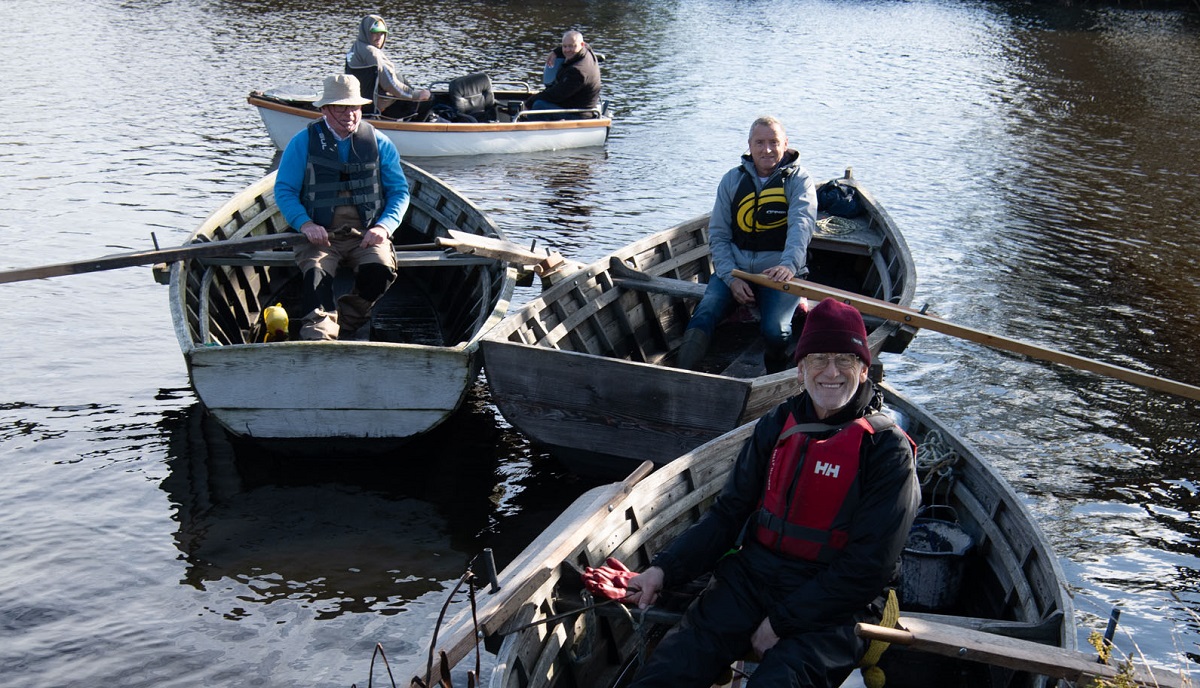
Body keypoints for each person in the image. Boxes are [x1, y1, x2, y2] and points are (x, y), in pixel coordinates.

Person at [622, 297, 921, 688]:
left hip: (838, 599)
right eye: (818, 359)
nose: (831, 372)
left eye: (844, 360)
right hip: (754, 576)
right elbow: (728, 515)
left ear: (864, 370)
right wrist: (664, 568)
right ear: (800, 369)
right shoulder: (777, 424)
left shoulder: (886, 450)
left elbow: (870, 566)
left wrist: (781, 622)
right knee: (671, 668)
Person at [274, 74, 411, 341]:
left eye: (355, 108)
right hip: (320, 234)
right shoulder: (303, 143)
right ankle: (319, 333)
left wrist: (384, 226)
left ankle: (348, 319)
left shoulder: (380, 143)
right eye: (341, 107)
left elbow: (399, 191)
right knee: (316, 274)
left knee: (380, 270)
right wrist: (305, 224)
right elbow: (285, 190)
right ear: (325, 109)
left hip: (365, 233)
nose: (350, 115)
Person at [677, 116, 818, 373]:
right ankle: (680, 374)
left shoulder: (799, 180)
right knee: (704, 314)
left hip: (778, 272)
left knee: (776, 331)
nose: (766, 149)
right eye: (760, 143)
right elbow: (718, 235)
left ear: (785, 144)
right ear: (749, 146)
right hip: (735, 268)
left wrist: (788, 266)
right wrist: (731, 278)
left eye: (773, 142)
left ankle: (774, 375)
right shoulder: (732, 180)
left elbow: (802, 227)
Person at [344, 14, 431, 119]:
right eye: (374, 33)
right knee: (431, 100)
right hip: (374, 106)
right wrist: (416, 95)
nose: (379, 37)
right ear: (366, 32)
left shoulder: (355, 49)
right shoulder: (372, 53)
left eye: (382, 33)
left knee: (399, 77)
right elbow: (390, 84)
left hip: (359, 103)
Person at [526, 30, 601, 115]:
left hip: (578, 114)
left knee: (538, 105)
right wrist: (556, 52)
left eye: (571, 46)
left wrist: (529, 103)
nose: (567, 50)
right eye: (564, 46)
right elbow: (574, 46)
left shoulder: (578, 71)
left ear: (581, 45)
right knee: (538, 98)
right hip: (572, 103)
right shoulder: (586, 51)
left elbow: (557, 95)